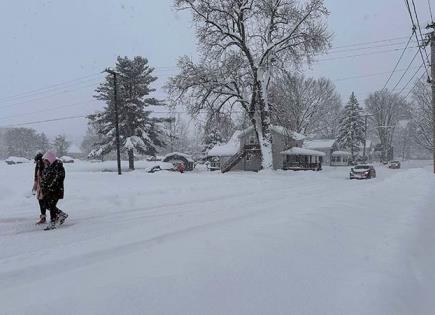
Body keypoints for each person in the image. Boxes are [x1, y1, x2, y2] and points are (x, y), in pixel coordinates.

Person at [40, 151, 68, 230]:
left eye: (46, 160)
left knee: (51, 206)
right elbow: (44, 178)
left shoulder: (58, 166)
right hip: (48, 190)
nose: (45, 162)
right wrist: (43, 185)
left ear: (50, 159)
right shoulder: (48, 167)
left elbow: (59, 178)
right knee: (46, 205)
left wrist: (51, 186)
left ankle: (52, 223)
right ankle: (62, 214)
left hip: (56, 190)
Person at [33, 152, 47, 224]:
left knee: (46, 204)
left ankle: (59, 214)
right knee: (41, 203)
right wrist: (34, 188)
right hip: (39, 188)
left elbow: (45, 178)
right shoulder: (38, 167)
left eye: (38, 161)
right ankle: (43, 217)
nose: (37, 163)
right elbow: (36, 178)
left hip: (44, 188)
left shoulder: (45, 166)